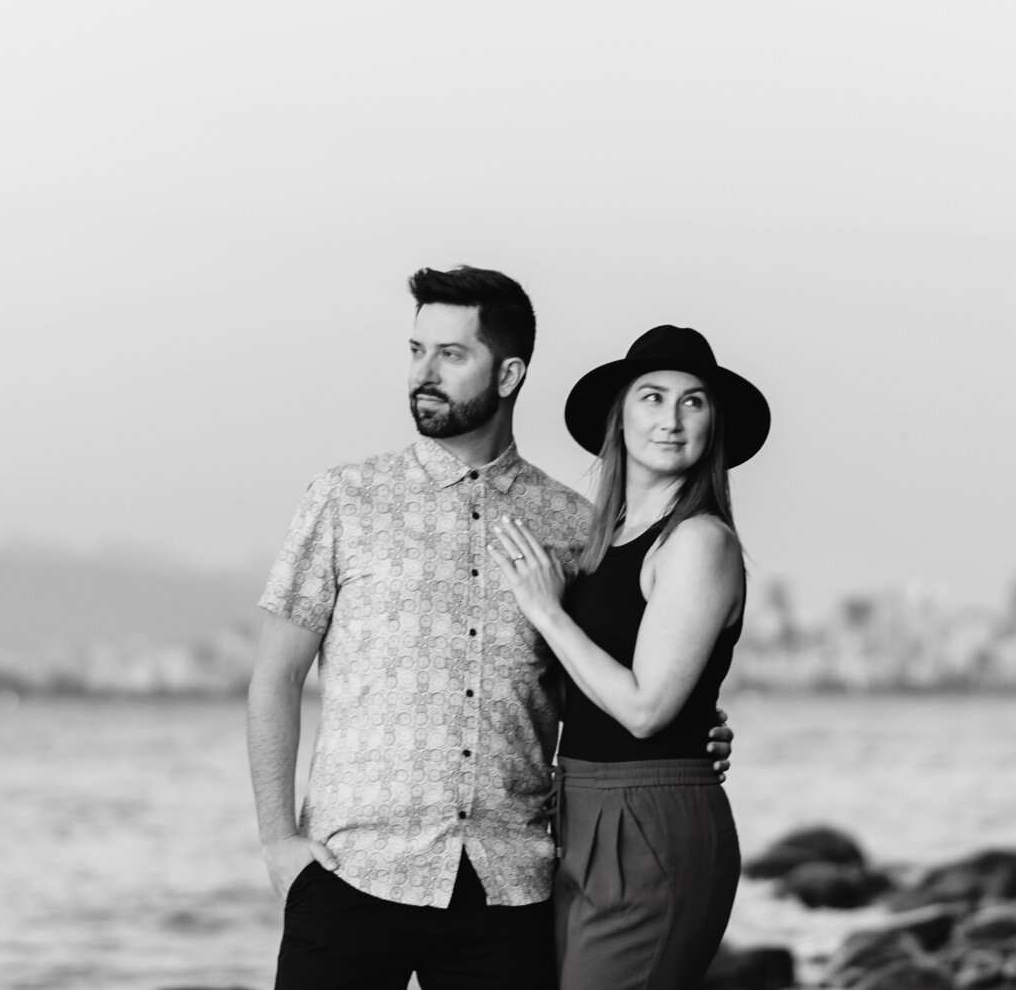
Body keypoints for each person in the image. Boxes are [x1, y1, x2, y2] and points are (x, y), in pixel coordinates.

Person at [248, 269, 733, 990]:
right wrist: (279, 840)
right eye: (416, 350)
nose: (423, 373)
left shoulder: (574, 525)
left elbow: (607, 676)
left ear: (508, 373)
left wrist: (694, 728)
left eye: (450, 354)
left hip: (509, 883)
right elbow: (275, 676)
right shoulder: (346, 498)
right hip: (351, 871)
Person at [491, 325, 766, 990]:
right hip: (579, 809)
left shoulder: (699, 540)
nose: (671, 420)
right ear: (620, 415)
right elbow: (585, 691)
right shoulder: (602, 541)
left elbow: (644, 709)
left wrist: (546, 610)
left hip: (651, 822)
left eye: (694, 402)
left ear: (714, 424)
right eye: (652, 397)